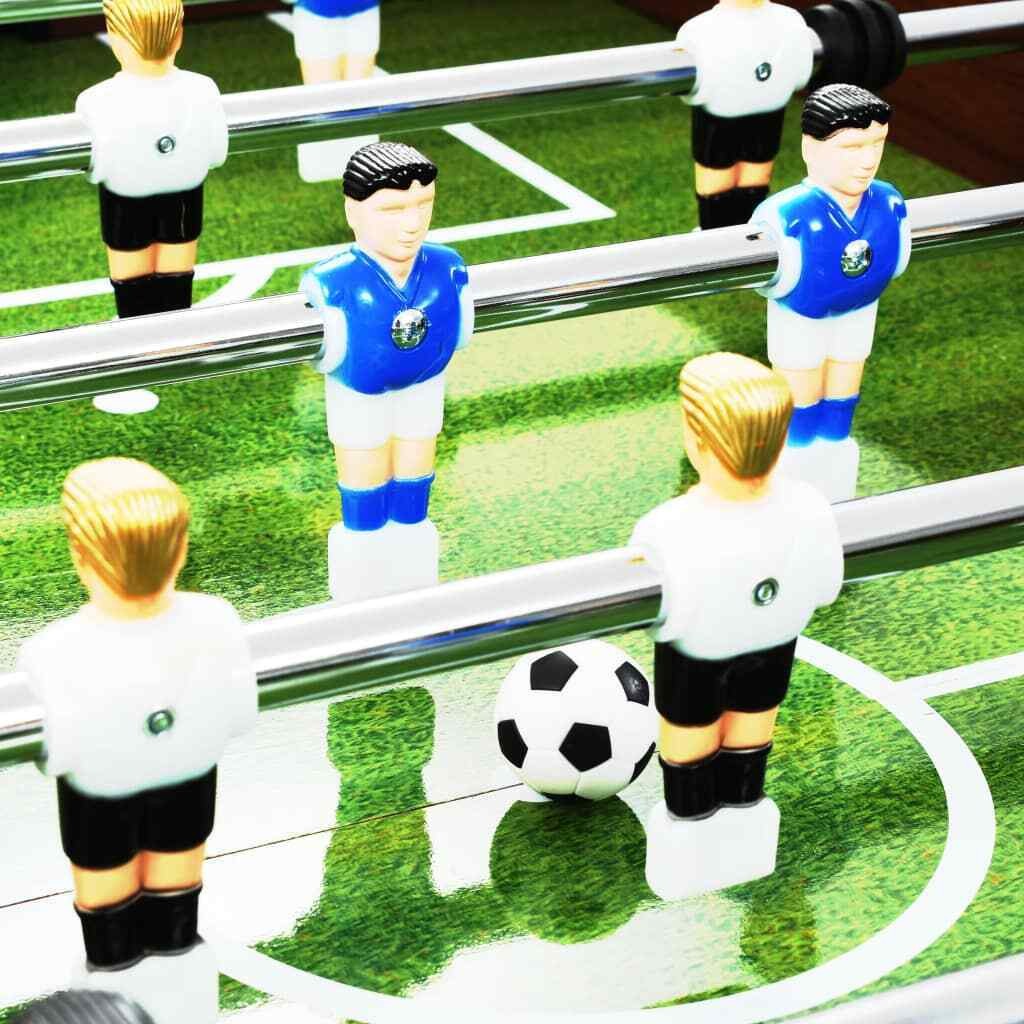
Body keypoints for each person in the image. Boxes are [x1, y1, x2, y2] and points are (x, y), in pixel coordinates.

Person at [17, 459, 257, 975]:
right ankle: (177, 966)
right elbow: (240, 714)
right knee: (177, 890)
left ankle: (114, 973)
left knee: (106, 898)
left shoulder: (53, 650)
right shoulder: (217, 619)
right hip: (191, 779)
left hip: (98, 797)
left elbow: (57, 752)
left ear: (81, 554)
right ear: (181, 549)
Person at [630, 352, 843, 900]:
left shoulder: (668, 528)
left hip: (694, 659)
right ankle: (743, 823)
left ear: (700, 441)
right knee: (752, 730)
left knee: (690, 740)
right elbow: (826, 588)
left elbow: (648, 602)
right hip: (774, 648)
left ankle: (690, 828)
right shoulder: (811, 509)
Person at [301, 142, 474, 603]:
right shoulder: (332, 283)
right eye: (393, 209)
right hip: (360, 397)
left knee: (414, 488)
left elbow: (459, 331)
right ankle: (364, 580)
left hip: (423, 390)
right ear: (352, 211)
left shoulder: (448, 268)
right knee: (365, 489)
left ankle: (412, 576)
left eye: (423, 204)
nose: (412, 223)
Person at [751, 83, 910, 501]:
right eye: (852, 147)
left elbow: (896, 259)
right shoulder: (786, 216)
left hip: (860, 312)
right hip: (801, 319)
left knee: (844, 390)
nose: (868, 160)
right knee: (800, 398)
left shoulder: (890, 204)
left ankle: (834, 455)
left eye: (877, 143)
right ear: (811, 148)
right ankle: (795, 459)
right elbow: (764, 273)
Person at [76, 0, 228, 321]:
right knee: (176, 285)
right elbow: (217, 154)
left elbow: (96, 168)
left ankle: (141, 342)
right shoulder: (204, 89)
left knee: (132, 291)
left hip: (125, 202)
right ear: (178, 36)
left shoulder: (95, 100)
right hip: (185, 197)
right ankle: (174, 342)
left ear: (115, 37)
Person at [676, 0, 815, 229]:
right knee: (718, 182)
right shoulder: (700, 30)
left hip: (767, 114)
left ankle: (748, 236)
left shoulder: (790, 22)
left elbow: (800, 73)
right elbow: (691, 86)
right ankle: (714, 237)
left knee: (755, 178)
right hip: (720, 119)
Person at [290, 0, 381, 182]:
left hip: (363, 10)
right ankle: (324, 164)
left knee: (360, 100)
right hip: (316, 12)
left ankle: (361, 166)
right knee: (323, 99)